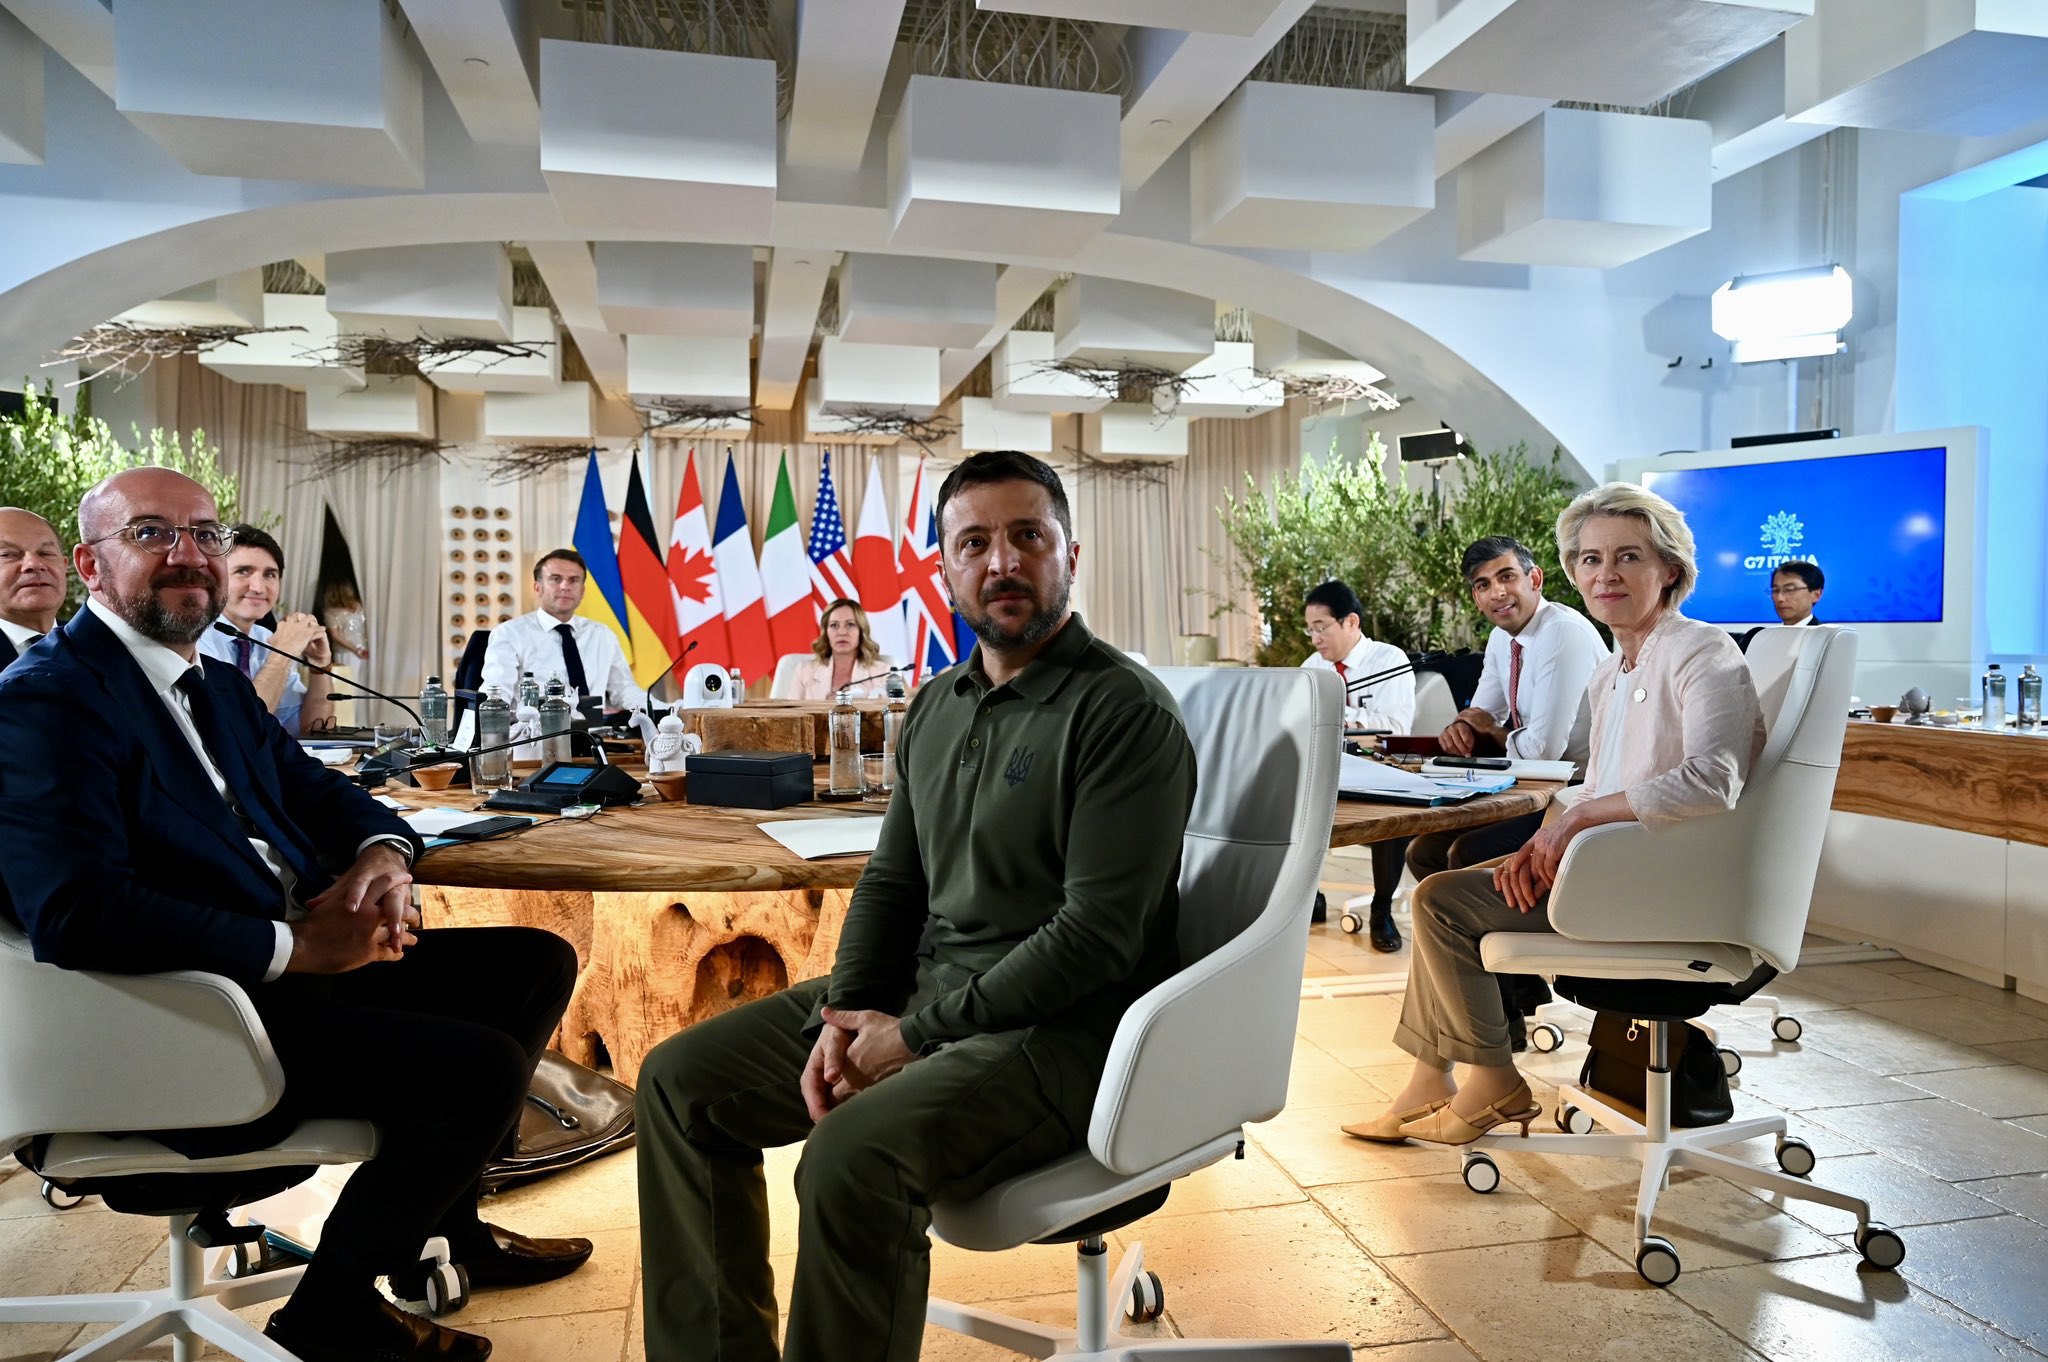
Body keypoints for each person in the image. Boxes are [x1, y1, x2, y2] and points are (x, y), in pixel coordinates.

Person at [0, 469, 594, 1362]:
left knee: (533, 962)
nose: (189, 556)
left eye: (205, 534)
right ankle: (331, 1311)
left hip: (281, 970)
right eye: (153, 534)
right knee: (478, 1073)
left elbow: (328, 796)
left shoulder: (218, 687)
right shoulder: (50, 696)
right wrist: (295, 948)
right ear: (91, 562)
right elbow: (78, 913)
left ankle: (451, 1231)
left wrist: (384, 857)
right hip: (185, 1007)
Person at [634, 449, 1196, 1362]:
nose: (1002, 562)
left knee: (850, 1159)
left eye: (1027, 537)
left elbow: (1095, 939)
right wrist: (849, 1013)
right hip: (935, 997)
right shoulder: (938, 703)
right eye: (974, 542)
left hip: (1063, 1036)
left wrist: (914, 1037)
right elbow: (893, 882)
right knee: (681, 1083)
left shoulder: (1123, 712)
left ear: (1070, 556)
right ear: (944, 568)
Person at [1351, 482, 1764, 1147]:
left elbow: (1714, 781)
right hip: (1615, 865)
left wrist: (1569, 824)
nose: (1606, 574)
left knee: (1442, 901)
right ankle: (1431, 1078)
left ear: (1670, 571)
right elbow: (1593, 783)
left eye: (1629, 557)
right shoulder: (1615, 671)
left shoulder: (1702, 651)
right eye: (1592, 560)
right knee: (1444, 886)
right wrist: (1545, 837)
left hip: (1666, 881)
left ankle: (1492, 1079)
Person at [1393, 536, 1607, 1067]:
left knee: (1469, 850)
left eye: (1506, 577)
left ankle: (1503, 1013)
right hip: (1532, 788)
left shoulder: (1563, 635)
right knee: (1424, 850)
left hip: (1577, 798)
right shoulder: (1501, 641)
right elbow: (1481, 715)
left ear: (1534, 580)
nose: (1496, 593)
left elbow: (1544, 747)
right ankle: (1510, 993)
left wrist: (1487, 729)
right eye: (1482, 585)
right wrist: (1470, 726)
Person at [1300, 579, 1415, 952]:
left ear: (1351, 622)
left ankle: (1382, 910)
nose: (1315, 638)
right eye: (1310, 630)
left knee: (1391, 816)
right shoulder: (1312, 666)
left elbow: (1395, 729)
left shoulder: (1389, 660)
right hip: (1324, 765)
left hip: (1378, 768)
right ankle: (1309, 897)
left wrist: (1337, 713)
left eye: (1321, 627)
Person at [194, 524, 334, 736]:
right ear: (215, 578)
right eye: (243, 572)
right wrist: (283, 651)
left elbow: (315, 729)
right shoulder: (194, 639)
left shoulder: (266, 639)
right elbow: (240, 730)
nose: (258, 587)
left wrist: (320, 667)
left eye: (270, 575)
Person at [480, 549, 642, 712]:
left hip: (596, 734)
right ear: (538, 588)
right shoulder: (510, 634)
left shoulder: (603, 635)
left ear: (582, 591)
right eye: (555, 579)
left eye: (573, 580)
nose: (565, 586)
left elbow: (624, 690)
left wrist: (663, 710)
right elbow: (495, 695)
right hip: (536, 733)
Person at [780, 597, 900, 699]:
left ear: (861, 631)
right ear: (826, 632)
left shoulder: (884, 673)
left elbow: (894, 720)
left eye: (850, 624)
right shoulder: (804, 672)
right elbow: (791, 720)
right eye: (834, 625)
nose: (842, 632)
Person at [0, 506, 66, 673]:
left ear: (65, 566)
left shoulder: (100, 643)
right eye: (7, 554)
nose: (35, 564)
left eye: (45, 553)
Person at [1738, 560, 1824, 652]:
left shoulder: (1826, 639)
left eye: (1790, 589)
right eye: (1775, 590)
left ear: (1816, 595)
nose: (1780, 598)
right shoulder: (1760, 638)